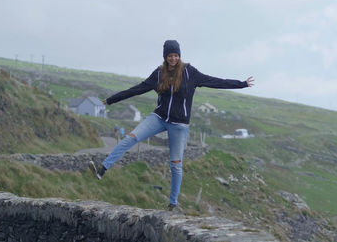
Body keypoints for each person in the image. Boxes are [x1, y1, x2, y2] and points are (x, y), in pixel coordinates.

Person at [89, 40, 254, 211]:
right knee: (131, 137)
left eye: (176, 55)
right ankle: (102, 169)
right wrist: (111, 100)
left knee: (175, 164)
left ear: (179, 56)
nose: (173, 59)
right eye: (170, 56)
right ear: (165, 57)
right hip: (159, 117)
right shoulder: (159, 73)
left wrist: (241, 84)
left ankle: (173, 204)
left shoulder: (190, 73)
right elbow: (137, 89)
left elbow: (215, 82)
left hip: (179, 125)